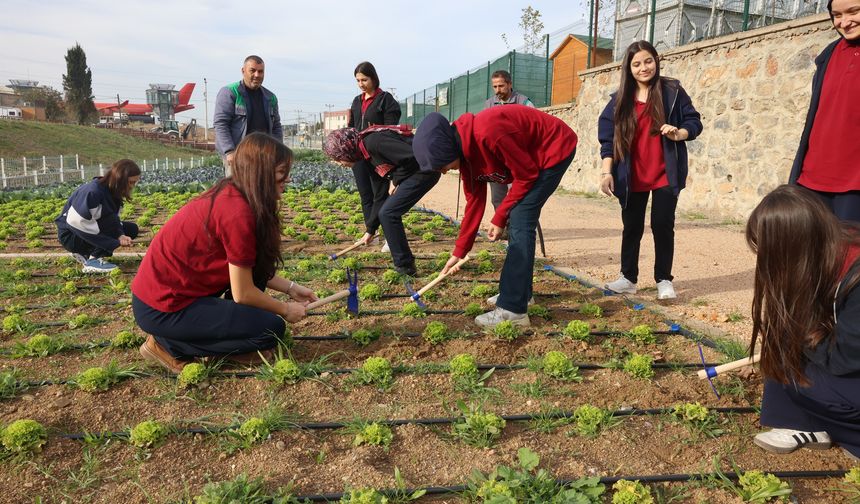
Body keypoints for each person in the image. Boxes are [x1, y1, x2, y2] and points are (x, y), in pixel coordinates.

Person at [130, 133, 317, 374]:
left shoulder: (236, 195)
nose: (287, 179)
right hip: (164, 307)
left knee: (261, 296)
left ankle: (233, 340)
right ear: (259, 172)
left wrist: (290, 287)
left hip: (175, 296)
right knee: (271, 329)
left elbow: (247, 267)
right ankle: (167, 345)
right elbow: (242, 293)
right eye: (281, 172)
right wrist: (285, 309)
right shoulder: (237, 212)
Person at [413, 106, 577, 328]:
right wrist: (459, 252)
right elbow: (474, 201)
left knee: (520, 219)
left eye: (441, 166)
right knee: (518, 217)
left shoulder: (489, 133)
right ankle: (521, 295)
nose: (443, 172)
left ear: (448, 150)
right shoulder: (465, 154)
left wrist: (500, 216)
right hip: (531, 162)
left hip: (553, 150)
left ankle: (513, 311)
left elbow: (527, 176)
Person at [746, 184, 860, 463]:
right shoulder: (831, 245)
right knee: (782, 350)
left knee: (794, 374)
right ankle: (800, 422)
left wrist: (807, 334)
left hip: (848, 362)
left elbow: (844, 358)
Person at [598, 40, 703, 300]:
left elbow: (694, 120)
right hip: (630, 174)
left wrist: (680, 133)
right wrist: (606, 171)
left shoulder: (672, 91)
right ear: (628, 68)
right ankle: (628, 278)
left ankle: (664, 280)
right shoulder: (619, 100)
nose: (643, 68)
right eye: (636, 64)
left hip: (665, 172)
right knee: (631, 226)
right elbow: (608, 139)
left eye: (648, 61)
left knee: (662, 224)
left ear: (656, 60)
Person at [323, 125, 440, 276]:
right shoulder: (365, 157)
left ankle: (405, 268)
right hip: (414, 172)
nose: (340, 164)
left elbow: (413, 156)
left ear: (346, 150)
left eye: (338, 158)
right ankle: (404, 265)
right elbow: (379, 195)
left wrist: (397, 180)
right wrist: (370, 230)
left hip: (425, 170)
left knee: (389, 213)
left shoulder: (375, 143)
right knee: (387, 211)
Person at [788, 0, 860, 222]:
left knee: (851, 257)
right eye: (837, 15)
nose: (844, 22)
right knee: (812, 255)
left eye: (853, 11)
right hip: (812, 181)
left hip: (854, 186)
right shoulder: (828, 55)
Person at [347, 61, 401, 252]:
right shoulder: (356, 101)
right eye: (358, 80)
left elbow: (391, 129)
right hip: (359, 156)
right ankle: (372, 233)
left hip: (378, 157)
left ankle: (388, 235)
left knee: (380, 194)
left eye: (364, 79)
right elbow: (352, 127)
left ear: (374, 78)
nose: (361, 84)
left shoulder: (386, 100)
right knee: (366, 195)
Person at [55, 159, 140, 273]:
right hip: (71, 236)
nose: (133, 186)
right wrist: (111, 242)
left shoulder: (112, 192)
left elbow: (112, 219)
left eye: (135, 182)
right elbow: (75, 222)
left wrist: (120, 235)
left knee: (131, 229)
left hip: (81, 233)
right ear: (120, 180)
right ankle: (93, 260)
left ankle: (85, 253)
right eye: (131, 182)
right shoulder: (93, 192)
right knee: (110, 228)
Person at [214, 55, 283, 176]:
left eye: (260, 71)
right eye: (253, 70)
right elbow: (221, 124)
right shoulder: (230, 92)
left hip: (263, 157)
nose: (257, 75)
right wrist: (229, 151)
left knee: (261, 193)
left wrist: (278, 151)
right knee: (237, 192)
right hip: (237, 156)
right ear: (243, 71)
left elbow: (276, 126)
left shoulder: (270, 97)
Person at [484, 70, 535, 211]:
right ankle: (504, 228)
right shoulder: (489, 104)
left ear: (509, 84)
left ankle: (517, 229)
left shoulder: (524, 102)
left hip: (517, 158)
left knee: (518, 196)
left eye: (501, 86)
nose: (497, 90)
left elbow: (533, 128)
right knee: (497, 198)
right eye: (495, 87)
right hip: (497, 159)